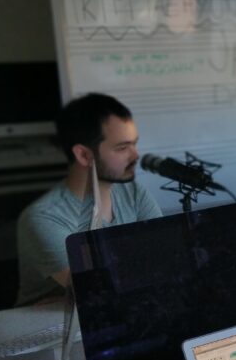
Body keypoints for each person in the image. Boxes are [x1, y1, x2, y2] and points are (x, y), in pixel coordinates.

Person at [15, 93, 161, 306]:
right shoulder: (42, 218)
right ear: (84, 155)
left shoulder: (135, 193)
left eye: (134, 144)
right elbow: (100, 290)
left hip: (119, 315)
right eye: (122, 148)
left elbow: (168, 261)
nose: (135, 156)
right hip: (49, 332)